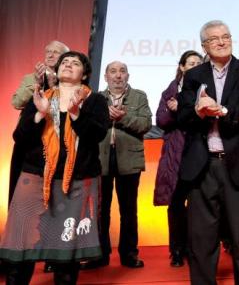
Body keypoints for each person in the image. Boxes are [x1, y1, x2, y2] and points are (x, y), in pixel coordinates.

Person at [0, 51, 108, 284]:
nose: (68, 65)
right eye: (64, 62)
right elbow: (20, 137)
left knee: (66, 254)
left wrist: (76, 114)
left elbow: (97, 135)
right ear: (57, 71)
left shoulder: (95, 100)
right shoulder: (41, 96)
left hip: (77, 182)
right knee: (21, 247)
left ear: (84, 74)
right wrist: (39, 114)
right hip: (35, 179)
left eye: (75, 63)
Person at [177, 20, 239, 284]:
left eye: (226, 36)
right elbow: (182, 117)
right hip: (202, 166)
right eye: (214, 38)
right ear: (204, 46)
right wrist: (198, 111)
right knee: (201, 239)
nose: (222, 41)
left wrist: (223, 110)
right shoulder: (194, 76)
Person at [82, 61, 152, 270]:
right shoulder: (96, 98)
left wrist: (123, 118)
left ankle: (129, 254)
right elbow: (88, 127)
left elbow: (145, 124)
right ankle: (99, 255)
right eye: (113, 71)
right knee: (100, 210)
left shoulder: (139, 96)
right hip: (100, 159)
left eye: (122, 71)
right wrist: (106, 117)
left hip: (129, 159)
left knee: (128, 210)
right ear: (106, 77)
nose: (118, 75)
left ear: (127, 76)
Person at [152, 50, 203, 267]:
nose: (195, 66)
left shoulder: (206, 89)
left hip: (198, 153)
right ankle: (177, 250)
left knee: (199, 205)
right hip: (175, 155)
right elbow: (162, 120)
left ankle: (195, 250)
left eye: (199, 63)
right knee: (175, 204)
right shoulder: (170, 90)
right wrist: (174, 111)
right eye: (191, 63)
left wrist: (182, 108)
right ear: (182, 66)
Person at [9, 40, 69, 204]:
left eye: (55, 52)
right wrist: (37, 83)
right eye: (48, 52)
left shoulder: (69, 81)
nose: (50, 55)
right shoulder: (30, 78)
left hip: (55, 140)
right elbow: (17, 103)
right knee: (19, 189)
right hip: (29, 138)